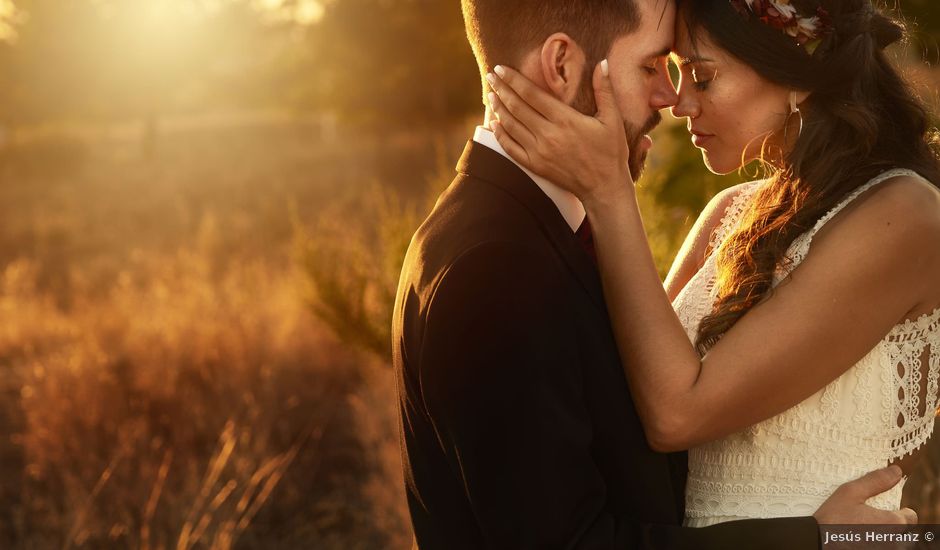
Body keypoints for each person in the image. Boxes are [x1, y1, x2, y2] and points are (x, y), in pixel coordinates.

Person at [485, 0, 939, 530]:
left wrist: (609, 192)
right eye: (673, 72)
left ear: (796, 76)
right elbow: (622, 404)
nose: (678, 103)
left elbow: (677, 414)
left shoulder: (905, 217)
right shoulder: (727, 214)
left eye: (702, 77)